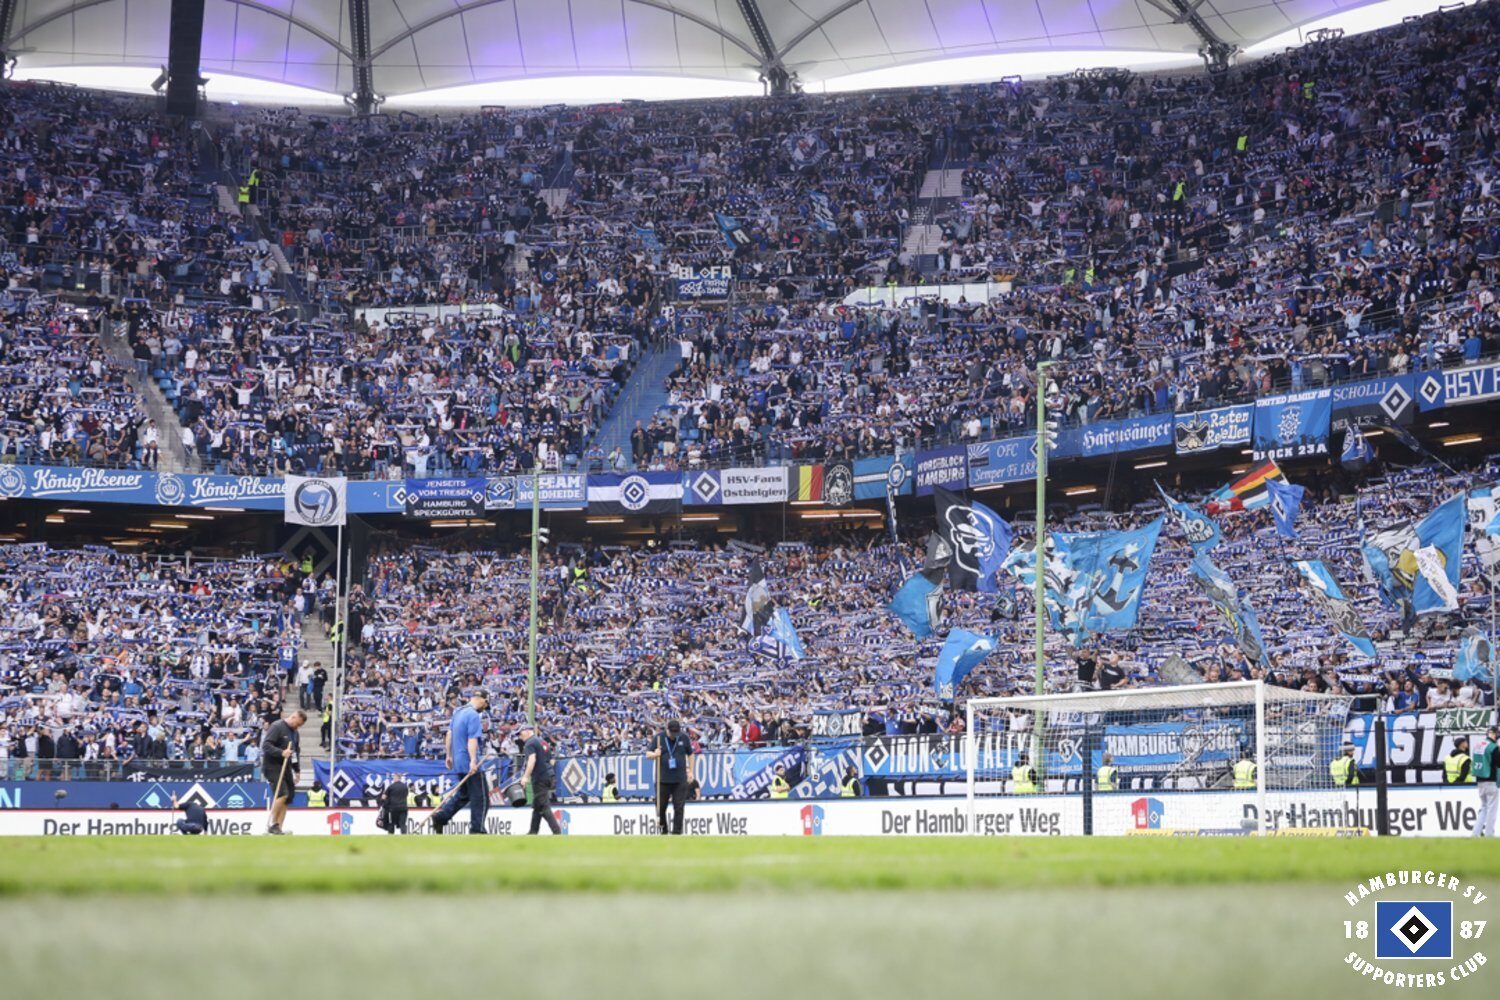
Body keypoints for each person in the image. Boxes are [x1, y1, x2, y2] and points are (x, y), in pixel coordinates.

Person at [431, 689, 489, 835]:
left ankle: (441, 817)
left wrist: (448, 756)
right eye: (486, 703)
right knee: (481, 798)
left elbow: (449, 734)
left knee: (464, 795)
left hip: (458, 761)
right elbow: (472, 739)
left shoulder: (458, 712)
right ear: (481, 699)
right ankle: (477, 829)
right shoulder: (473, 715)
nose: (485, 707)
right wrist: (473, 761)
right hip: (469, 761)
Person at [646, 718, 694, 834]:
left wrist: (691, 771)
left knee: (679, 807)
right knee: (660, 807)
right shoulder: (658, 738)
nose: (674, 735)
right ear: (667, 730)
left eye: (676, 732)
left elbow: (691, 754)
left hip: (679, 779)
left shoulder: (683, 738)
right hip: (663, 779)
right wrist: (655, 754)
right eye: (672, 732)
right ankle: (663, 831)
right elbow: (648, 754)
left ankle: (677, 833)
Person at [261, 710, 305, 835]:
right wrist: (281, 752)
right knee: (282, 794)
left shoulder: (295, 733)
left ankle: (278, 828)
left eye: (300, 726)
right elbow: (266, 746)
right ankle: (272, 824)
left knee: (288, 797)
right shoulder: (277, 726)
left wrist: (297, 770)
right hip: (272, 766)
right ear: (293, 717)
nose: (298, 727)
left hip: (286, 767)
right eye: (297, 724)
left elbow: (295, 753)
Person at [518, 724, 561, 835]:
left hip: (540, 777)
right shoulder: (543, 742)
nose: (519, 736)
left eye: (520, 733)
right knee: (538, 806)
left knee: (544, 806)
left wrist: (525, 777)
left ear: (527, 731)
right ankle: (533, 832)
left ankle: (557, 832)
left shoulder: (529, 743)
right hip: (549, 775)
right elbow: (552, 761)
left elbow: (531, 760)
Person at [1472, 728, 1500, 837]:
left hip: (1480, 780)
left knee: (1483, 808)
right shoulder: (1493, 747)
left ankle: (1475, 834)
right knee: (1491, 810)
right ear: (1494, 734)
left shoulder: (1478, 745)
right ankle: (1489, 835)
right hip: (1491, 781)